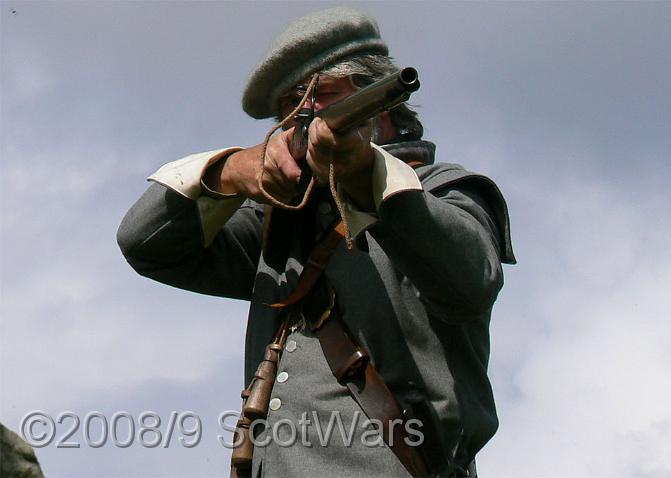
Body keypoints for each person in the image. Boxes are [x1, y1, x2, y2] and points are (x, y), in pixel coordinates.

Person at [117, 6, 515, 478]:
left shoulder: (440, 190)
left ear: (379, 104)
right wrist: (224, 173)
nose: (303, 116)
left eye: (324, 97)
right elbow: (144, 242)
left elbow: (469, 282)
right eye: (290, 108)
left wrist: (364, 173)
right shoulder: (282, 219)